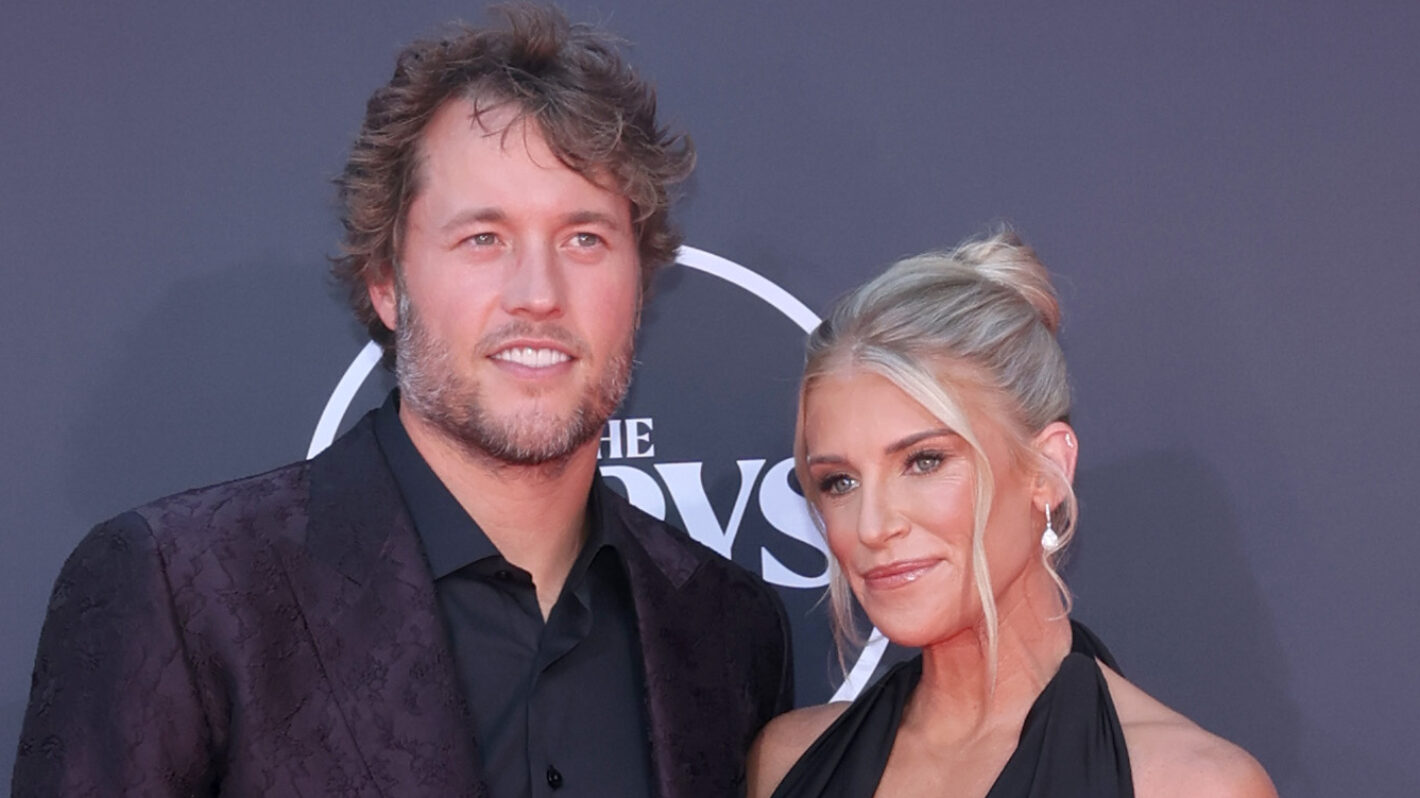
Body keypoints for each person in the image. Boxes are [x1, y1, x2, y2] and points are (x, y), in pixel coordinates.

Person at [14, 7, 792, 796]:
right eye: (482, 238)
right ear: (386, 284)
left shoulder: (728, 627)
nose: (539, 295)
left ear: (639, 285)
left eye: (584, 238)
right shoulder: (182, 591)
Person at [745, 231, 1274, 797]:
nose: (872, 526)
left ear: (1046, 469)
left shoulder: (1188, 784)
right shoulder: (786, 763)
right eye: (839, 481)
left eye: (925, 461)